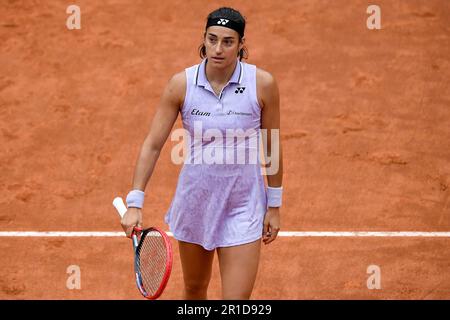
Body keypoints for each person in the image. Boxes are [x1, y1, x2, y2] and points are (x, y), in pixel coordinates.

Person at [121, 7, 283, 300]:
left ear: (241, 45)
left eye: (228, 41)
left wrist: (274, 205)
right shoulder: (181, 85)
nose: (218, 49)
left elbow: (271, 144)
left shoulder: (262, 85)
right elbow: (153, 144)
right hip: (196, 201)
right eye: (212, 39)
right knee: (195, 291)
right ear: (203, 39)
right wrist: (135, 201)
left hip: (243, 204)